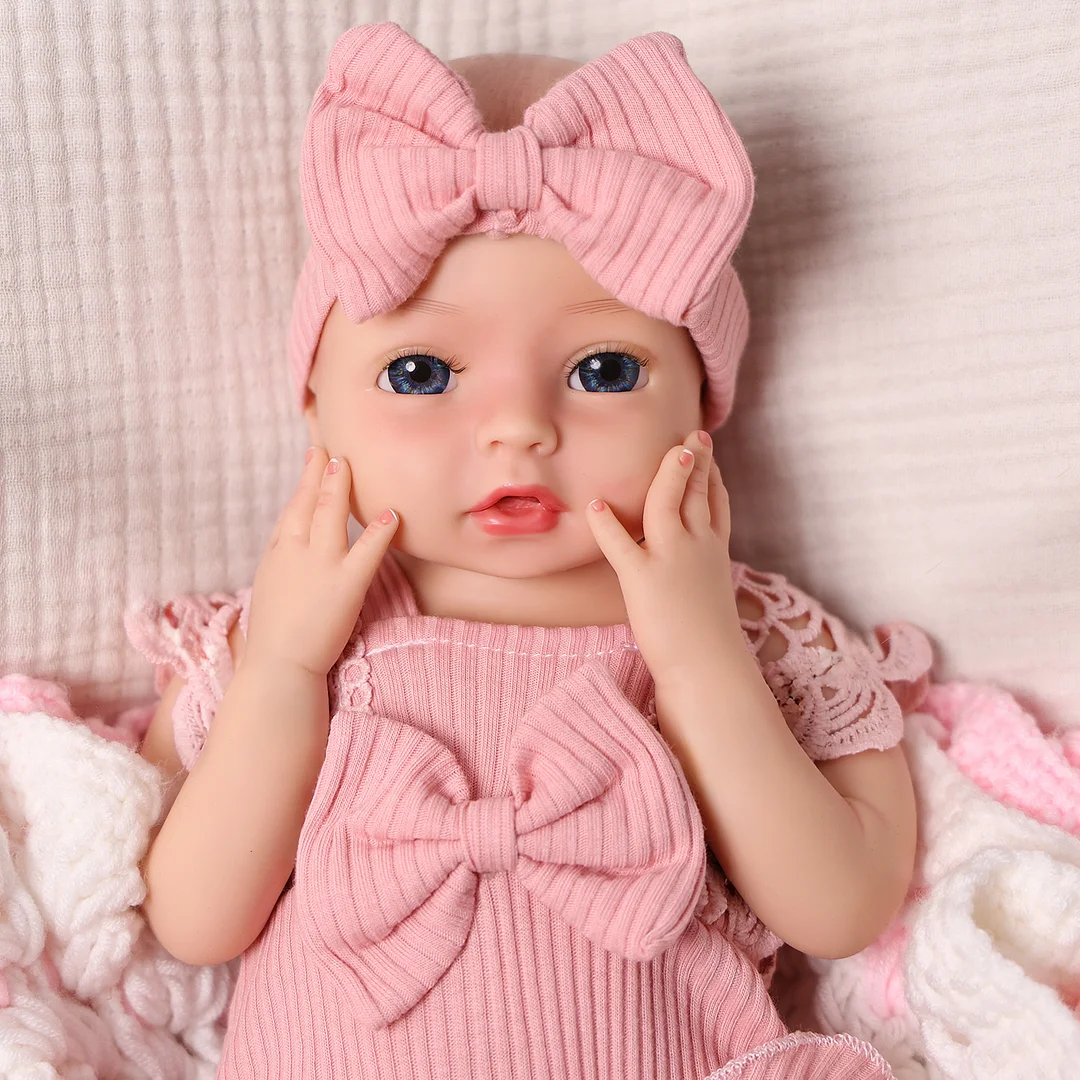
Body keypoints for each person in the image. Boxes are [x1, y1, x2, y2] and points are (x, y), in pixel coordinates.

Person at [127, 21, 933, 1079]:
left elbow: (842, 907)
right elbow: (193, 922)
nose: (517, 428)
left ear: (704, 408)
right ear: (316, 409)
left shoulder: (747, 634)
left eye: (603, 371)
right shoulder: (281, 638)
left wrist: (698, 659)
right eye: (420, 374)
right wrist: (283, 670)